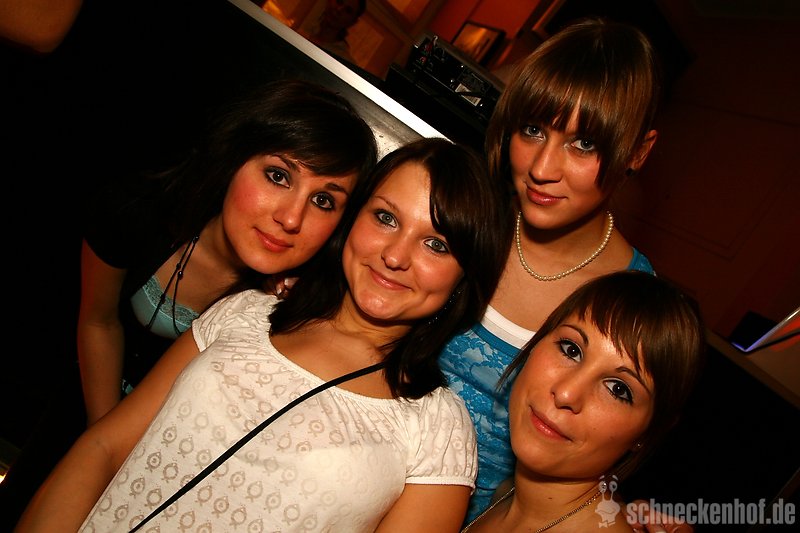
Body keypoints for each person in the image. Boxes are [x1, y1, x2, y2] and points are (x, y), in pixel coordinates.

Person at [15, 137, 512, 532]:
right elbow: (104, 449)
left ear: (464, 278)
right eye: (385, 218)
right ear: (352, 220)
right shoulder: (246, 312)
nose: (395, 255)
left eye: (436, 244)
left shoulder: (438, 430)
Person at [438, 17, 662, 522]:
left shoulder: (632, 299)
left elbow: (602, 455)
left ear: (638, 152)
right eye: (534, 129)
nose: (541, 168)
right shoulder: (464, 216)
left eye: (584, 144)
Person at [78, 77, 377, 426]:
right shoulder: (138, 209)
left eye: (323, 200)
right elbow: (98, 322)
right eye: (278, 176)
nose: (291, 218)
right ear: (235, 158)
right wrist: (103, 444)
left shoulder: (308, 303)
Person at [461, 271, 706, 532]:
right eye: (571, 349)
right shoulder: (506, 494)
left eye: (618, 389)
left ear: (648, 432)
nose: (566, 394)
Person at [304, 0, 366, 64]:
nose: (339, 9)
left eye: (348, 10)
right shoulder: (305, 30)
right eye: (339, 1)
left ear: (352, 22)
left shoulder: (343, 61)